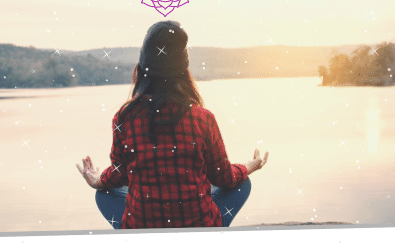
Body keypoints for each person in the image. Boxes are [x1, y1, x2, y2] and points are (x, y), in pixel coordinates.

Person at [77, 20, 268, 229]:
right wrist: (250, 166)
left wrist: (96, 180)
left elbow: (119, 174)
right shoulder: (202, 118)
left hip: (142, 228)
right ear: (183, 72)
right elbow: (223, 177)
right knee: (242, 184)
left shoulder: (124, 118)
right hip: (199, 228)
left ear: (142, 70)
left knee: (104, 194)